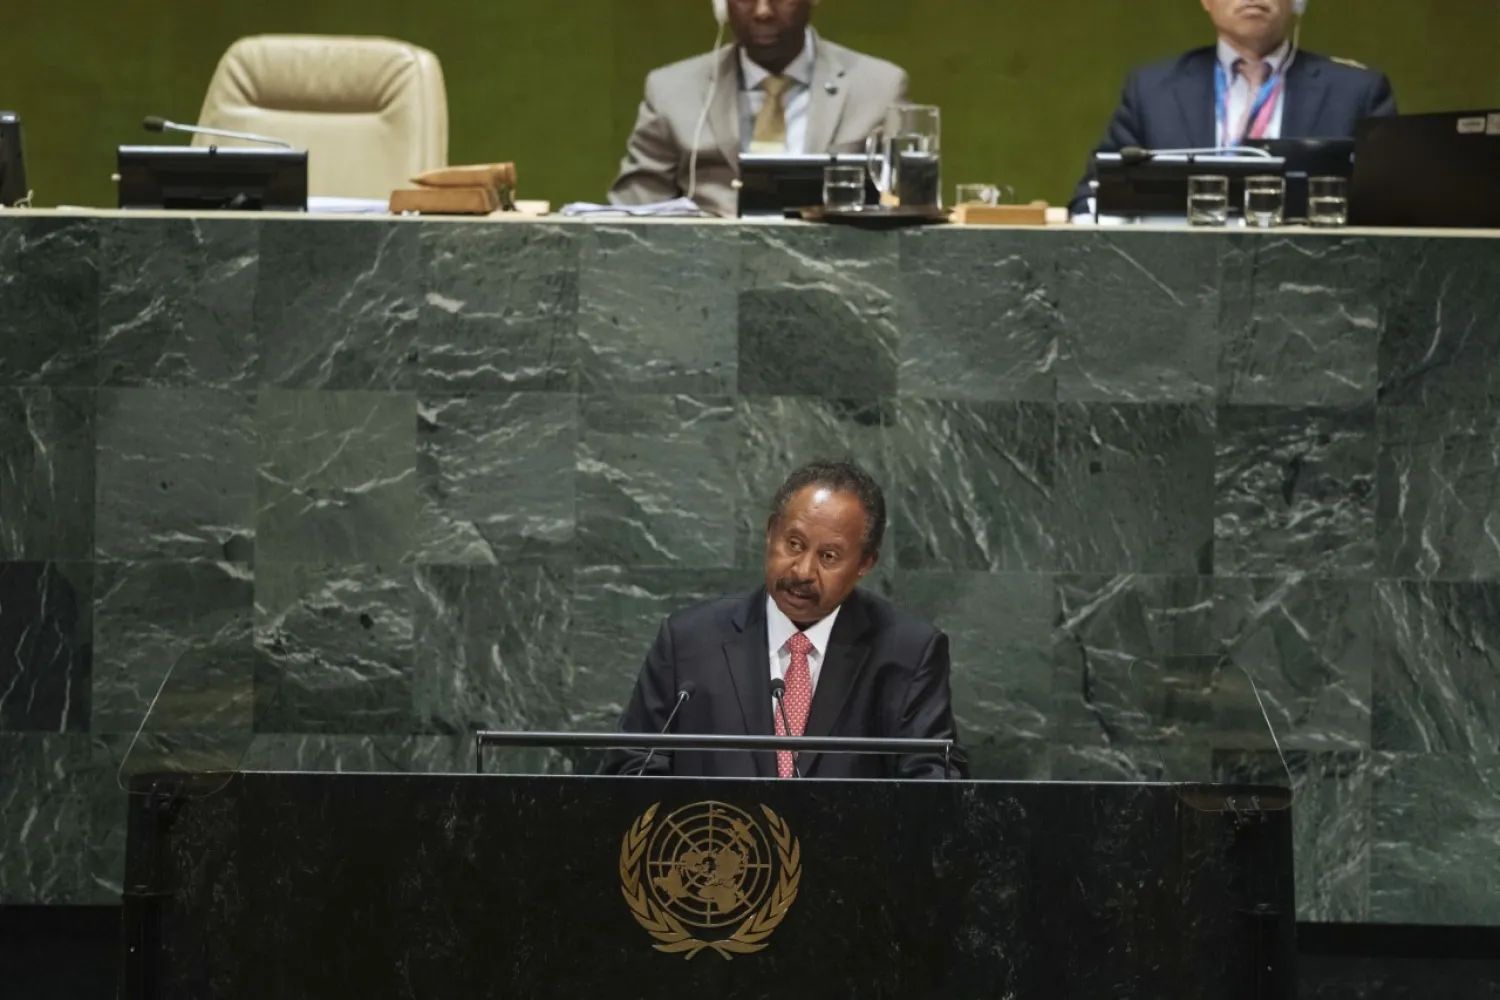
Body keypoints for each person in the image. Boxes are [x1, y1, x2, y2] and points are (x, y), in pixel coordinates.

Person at [601, 460, 967, 780]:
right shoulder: (688, 641)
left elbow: (933, 781)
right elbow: (631, 767)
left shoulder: (909, 652)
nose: (803, 571)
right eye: (793, 544)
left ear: (865, 564)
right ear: (770, 531)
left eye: (829, 556)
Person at [1069, 0, 1397, 216]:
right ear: (1207, 2)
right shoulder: (1153, 91)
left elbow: (1392, 209)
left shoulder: (1356, 92)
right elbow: (1092, 197)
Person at [608, 0, 908, 218]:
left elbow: (907, 208)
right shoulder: (673, 90)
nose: (763, 11)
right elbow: (633, 211)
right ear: (722, 7)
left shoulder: (878, 88)